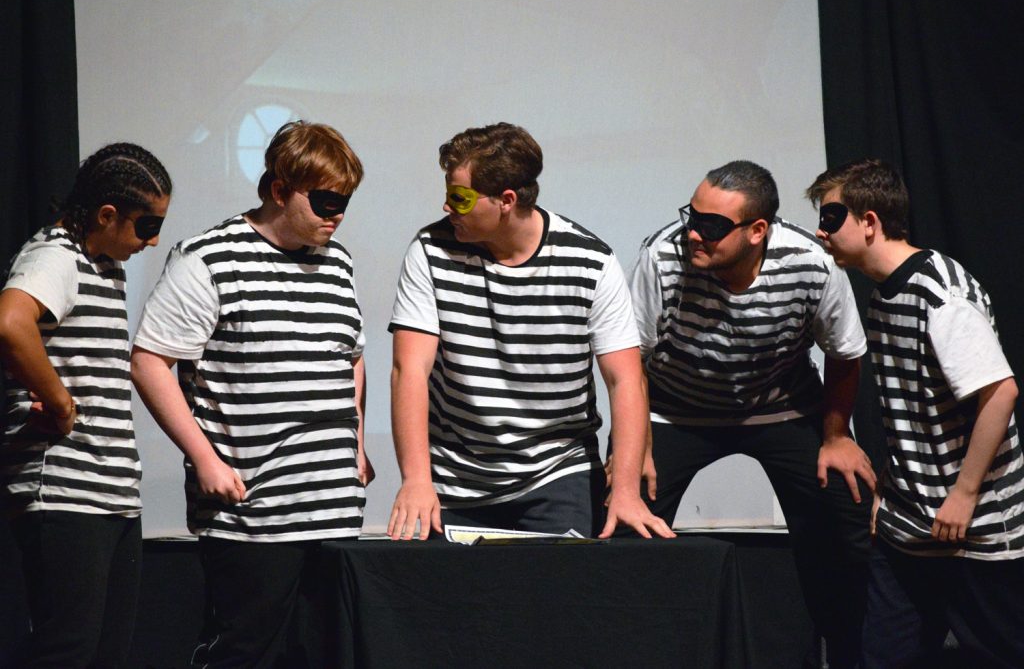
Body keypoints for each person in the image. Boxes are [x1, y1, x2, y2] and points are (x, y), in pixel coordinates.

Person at [130, 121, 371, 668]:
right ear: (280, 190)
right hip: (252, 515)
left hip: (334, 509)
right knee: (245, 653)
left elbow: (352, 354)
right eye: (326, 201)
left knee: (323, 654)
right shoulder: (208, 258)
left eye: (345, 202)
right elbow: (149, 361)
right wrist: (205, 459)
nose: (337, 215)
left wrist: (356, 444)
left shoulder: (338, 262)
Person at [628, 160, 874, 667]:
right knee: (625, 522)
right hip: (675, 412)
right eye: (691, 216)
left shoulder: (810, 263)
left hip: (781, 408)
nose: (693, 233)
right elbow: (631, 360)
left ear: (757, 231)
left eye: (712, 225)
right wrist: (638, 447)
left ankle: (850, 656)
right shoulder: (662, 258)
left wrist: (836, 436)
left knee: (845, 507)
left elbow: (845, 352)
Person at [386, 122, 672, 541]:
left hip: (558, 471)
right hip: (456, 476)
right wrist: (415, 479)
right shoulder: (431, 250)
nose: (447, 206)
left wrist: (626, 490)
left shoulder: (589, 261)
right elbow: (409, 370)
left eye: (460, 197)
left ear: (506, 201)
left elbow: (624, 378)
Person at [807, 158, 1024, 668]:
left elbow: (1001, 393)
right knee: (883, 656)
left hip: (972, 531)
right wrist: (891, 488)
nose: (821, 231)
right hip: (907, 526)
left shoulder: (940, 294)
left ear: (869, 221)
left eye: (832, 217)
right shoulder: (884, 294)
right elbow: (913, 408)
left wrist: (963, 495)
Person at [0, 143, 171, 668]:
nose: (153, 240)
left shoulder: (104, 265)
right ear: (106, 215)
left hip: (110, 491)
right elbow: (10, 323)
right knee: (67, 649)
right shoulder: (55, 255)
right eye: (147, 226)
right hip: (64, 490)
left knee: (105, 652)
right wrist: (59, 401)